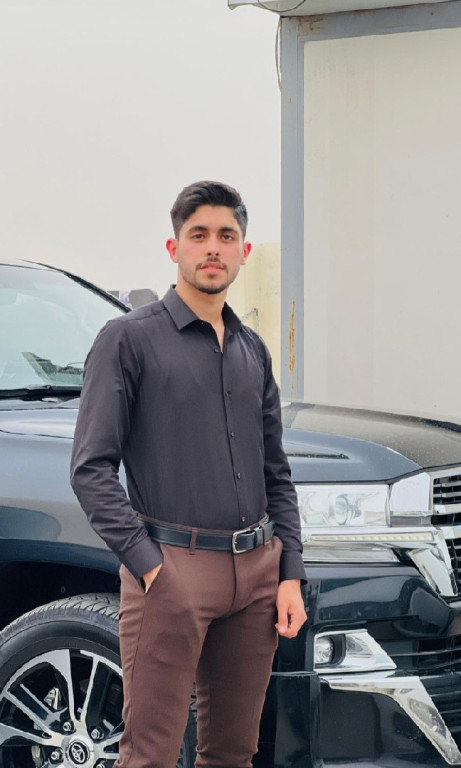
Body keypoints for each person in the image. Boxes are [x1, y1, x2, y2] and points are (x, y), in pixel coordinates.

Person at [70, 180, 307, 768]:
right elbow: (91, 469)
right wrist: (149, 565)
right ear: (174, 248)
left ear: (243, 252)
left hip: (256, 575)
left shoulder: (253, 350)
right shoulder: (128, 339)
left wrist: (289, 573)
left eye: (226, 236)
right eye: (198, 235)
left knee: (233, 754)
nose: (213, 248)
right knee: (149, 754)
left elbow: (275, 471)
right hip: (172, 572)